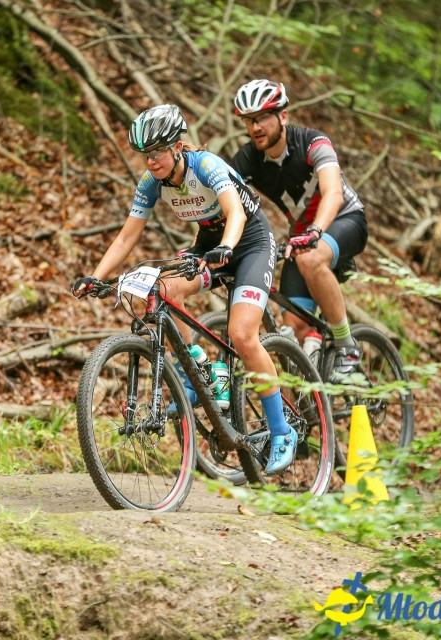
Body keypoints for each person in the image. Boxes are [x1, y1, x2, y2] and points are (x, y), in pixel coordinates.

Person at [72, 104, 297, 475]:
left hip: (250, 243)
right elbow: (128, 235)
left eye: (158, 152)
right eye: (145, 154)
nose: (151, 161)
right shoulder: (152, 182)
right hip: (209, 246)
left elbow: (237, 213)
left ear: (178, 146)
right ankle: (202, 373)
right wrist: (96, 276)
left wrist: (226, 247)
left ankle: (281, 430)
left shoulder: (205, 165)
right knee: (153, 292)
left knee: (242, 334)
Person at [229, 79, 368, 381]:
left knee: (309, 259)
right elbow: (224, 202)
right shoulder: (248, 159)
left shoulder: (312, 142)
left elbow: (333, 192)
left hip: (344, 221)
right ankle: (307, 415)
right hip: (302, 238)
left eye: (263, 117)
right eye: (249, 121)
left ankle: (347, 344)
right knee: (292, 328)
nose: (255, 127)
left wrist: (316, 231)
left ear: (283, 116)